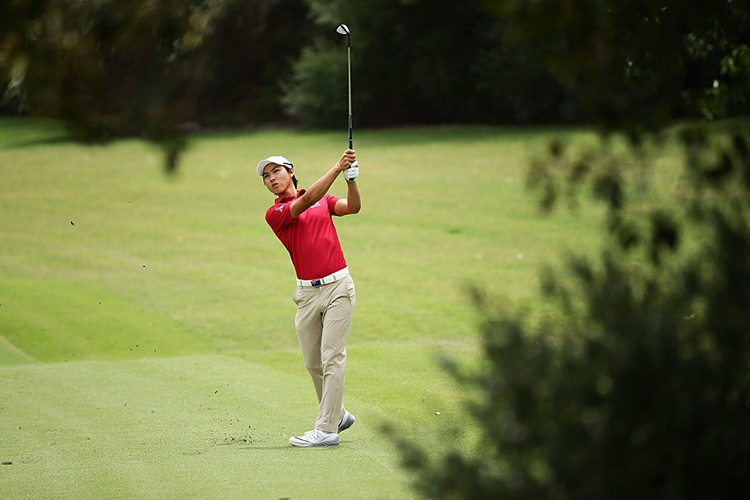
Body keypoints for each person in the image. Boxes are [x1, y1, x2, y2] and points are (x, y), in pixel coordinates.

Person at [256, 149, 361, 447]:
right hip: (305, 294)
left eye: (276, 171)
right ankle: (338, 414)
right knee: (312, 361)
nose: (271, 178)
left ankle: (327, 429)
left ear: (291, 172)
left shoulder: (324, 201)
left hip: (338, 286)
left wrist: (351, 182)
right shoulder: (275, 213)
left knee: (332, 357)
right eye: (266, 176)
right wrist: (337, 168)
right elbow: (306, 201)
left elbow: (352, 208)